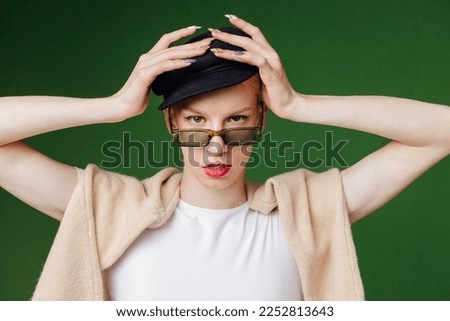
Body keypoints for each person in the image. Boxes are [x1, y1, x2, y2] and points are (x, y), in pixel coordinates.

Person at [0, 15, 448, 301]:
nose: (216, 145)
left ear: (263, 120)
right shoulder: (104, 210)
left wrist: (301, 104)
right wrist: (111, 106)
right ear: (171, 123)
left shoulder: (309, 213)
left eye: (236, 119)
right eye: (196, 120)